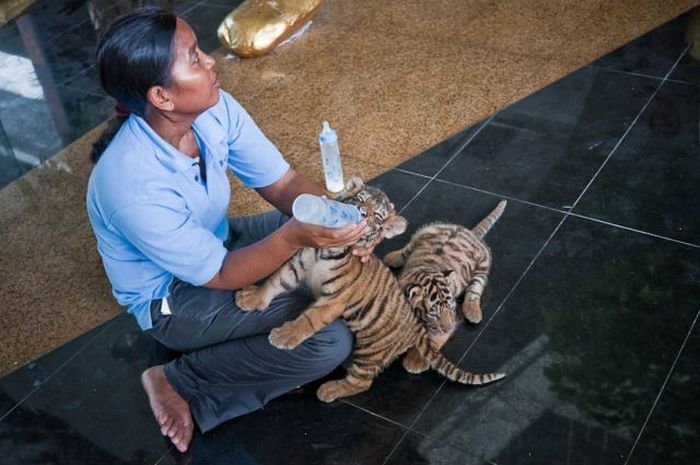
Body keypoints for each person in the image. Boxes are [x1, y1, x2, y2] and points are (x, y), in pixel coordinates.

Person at [86, 7, 372, 453]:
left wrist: (339, 222)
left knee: (328, 256)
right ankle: (179, 380)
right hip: (173, 297)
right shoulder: (129, 182)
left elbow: (283, 184)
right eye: (195, 59)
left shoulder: (211, 110)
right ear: (161, 97)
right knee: (327, 340)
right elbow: (220, 275)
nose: (212, 62)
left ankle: (259, 338)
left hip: (219, 244)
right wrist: (298, 236)